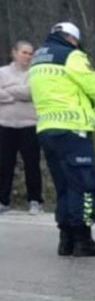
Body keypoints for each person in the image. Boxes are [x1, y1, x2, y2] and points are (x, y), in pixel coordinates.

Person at [29, 22, 95, 257]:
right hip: (73, 129)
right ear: (72, 38)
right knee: (86, 187)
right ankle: (83, 239)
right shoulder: (72, 56)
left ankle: (65, 240)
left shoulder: (37, 60)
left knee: (64, 187)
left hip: (47, 129)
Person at [0, 41, 43, 215]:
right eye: (24, 52)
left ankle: (35, 201)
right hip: (5, 124)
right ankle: (3, 200)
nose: (28, 56)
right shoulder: (2, 72)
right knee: (4, 164)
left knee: (32, 164)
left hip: (29, 125)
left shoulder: (36, 73)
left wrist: (8, 92)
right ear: (15, 53)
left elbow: (33, 92)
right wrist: (18, 94)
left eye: (31, 53)